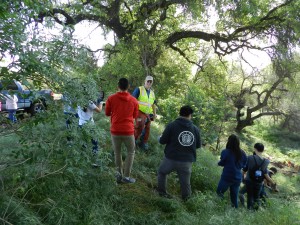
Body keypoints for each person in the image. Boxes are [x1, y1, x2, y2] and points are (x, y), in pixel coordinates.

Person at [157, 105, 201, 200]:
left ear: (180, 113)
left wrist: (159, 138)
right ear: (190, 115)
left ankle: (162, 193)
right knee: (185, 183)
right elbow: (198, 145)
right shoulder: (195, 129)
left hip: (170, 158)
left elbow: (162, 141)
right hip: (187, 161)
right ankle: (186, 201)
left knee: (162, 173)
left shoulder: (171, 125)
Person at [105, 78, 139, 184]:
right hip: (128, 131)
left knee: (117, 153)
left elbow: (106, 113)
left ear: (118, 86)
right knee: (131, 152)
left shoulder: (111, 98)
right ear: (128, 87)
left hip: (115, 130)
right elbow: (135, 115)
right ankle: (126, 177)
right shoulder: (134, 100)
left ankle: (118, 176)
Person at [243, 143, 277, 210]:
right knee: (256, 197)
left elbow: (245, 169)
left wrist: (243, 178)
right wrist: (272, 183)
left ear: (255, 148)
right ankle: (255, 211)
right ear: (263, 150)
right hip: (259, 182)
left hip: (249, 180)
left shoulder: (250, 158)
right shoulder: (266, 161)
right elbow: (265, 174)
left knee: (250, 197)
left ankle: (249, 211)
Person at [216, 134, 247, 208]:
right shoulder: (242, 153)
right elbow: (244, 165)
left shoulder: (225, 152)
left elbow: (222, 162)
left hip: (227, 176)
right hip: (237, 177)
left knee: (219, 192)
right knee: (234, 197)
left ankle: (221, 207)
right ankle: (234, 211)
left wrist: (218, 163)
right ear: (238, 142)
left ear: (229, 141)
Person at [132, 76, 156, 151]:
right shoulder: (139, 89)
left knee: (147, 128)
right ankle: (133, 142)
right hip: (139, 112)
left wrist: (154, 114)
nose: (149, 83)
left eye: (150, 82)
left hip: (149, 113)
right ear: (145, 81)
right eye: (148, 81)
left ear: (152, 83)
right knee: (139, 126)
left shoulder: (152, 93)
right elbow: (132, 100)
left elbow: (153, 105)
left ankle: (143, 143)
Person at [77, 99, 104, 166]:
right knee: (94, 143)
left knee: (84, 142)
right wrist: (101, 103)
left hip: (81, 124)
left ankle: (83, 161)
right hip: (90, 125)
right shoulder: (89, 102)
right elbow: (99, 110)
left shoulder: (78, 99)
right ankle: (95, 161)